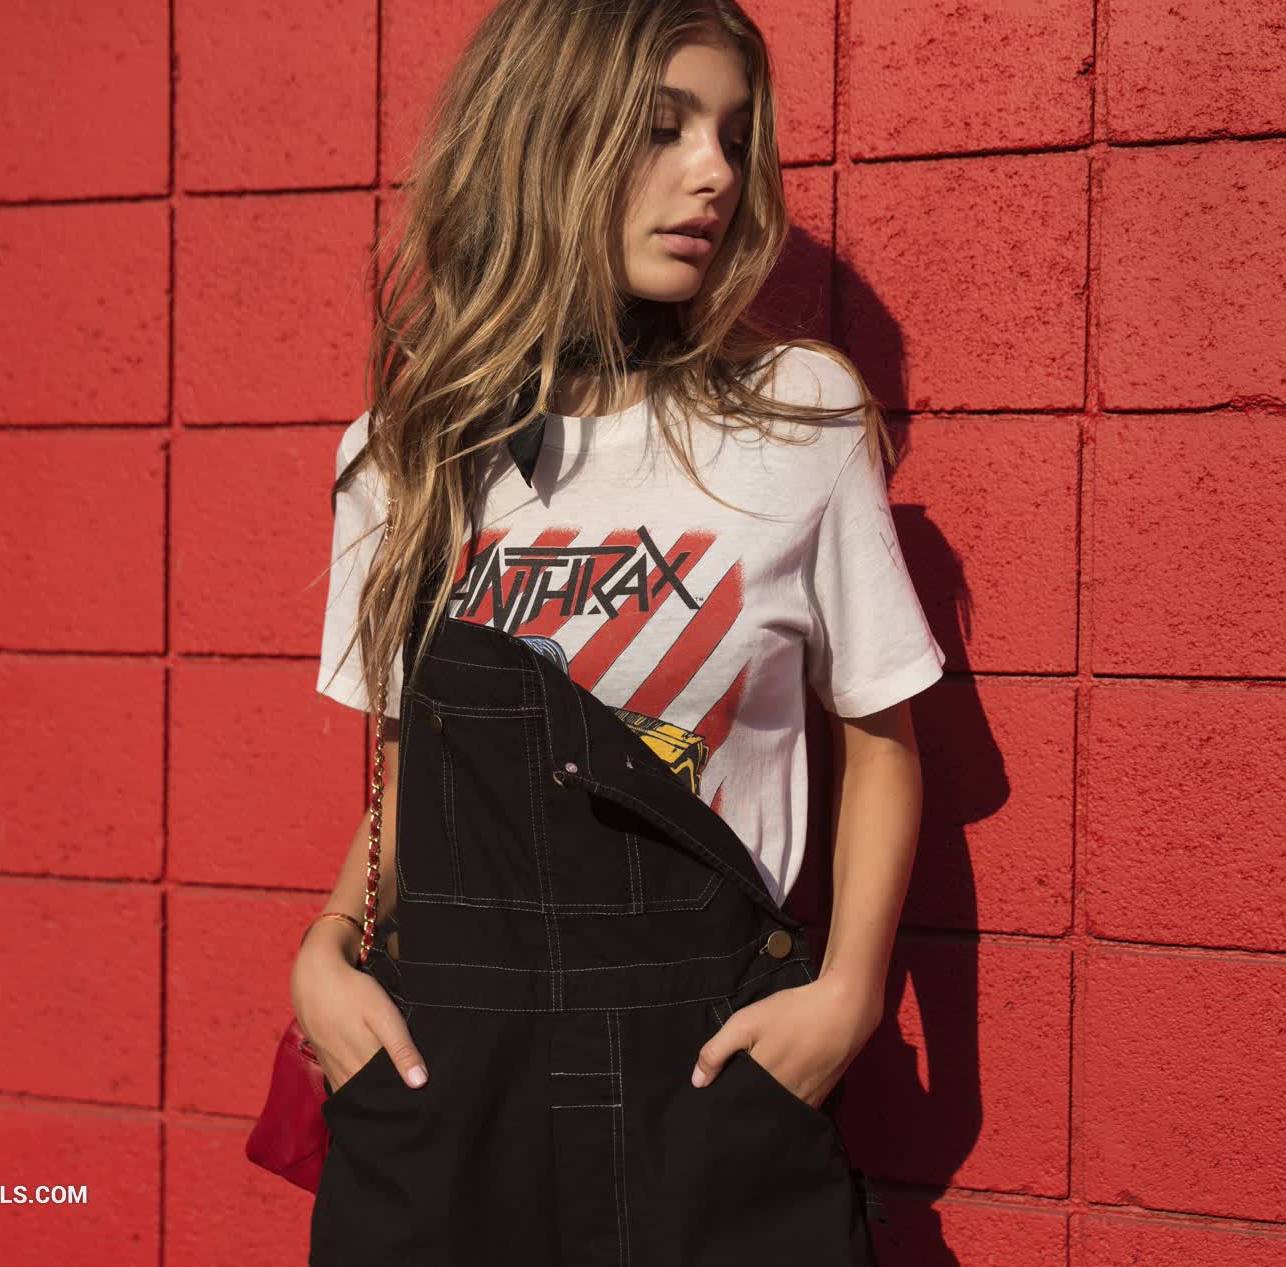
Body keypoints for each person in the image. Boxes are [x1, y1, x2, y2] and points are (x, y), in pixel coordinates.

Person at [289, 1, 942, 1261]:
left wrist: (849, 995)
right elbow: (419, 781)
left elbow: (881, 739)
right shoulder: (405, 453)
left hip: (706, 1065)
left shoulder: (798, 415)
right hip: (450, 1068)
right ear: (543, 137)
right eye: (662, 128)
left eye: (733, 135)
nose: (716, 172)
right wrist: (323, 949)